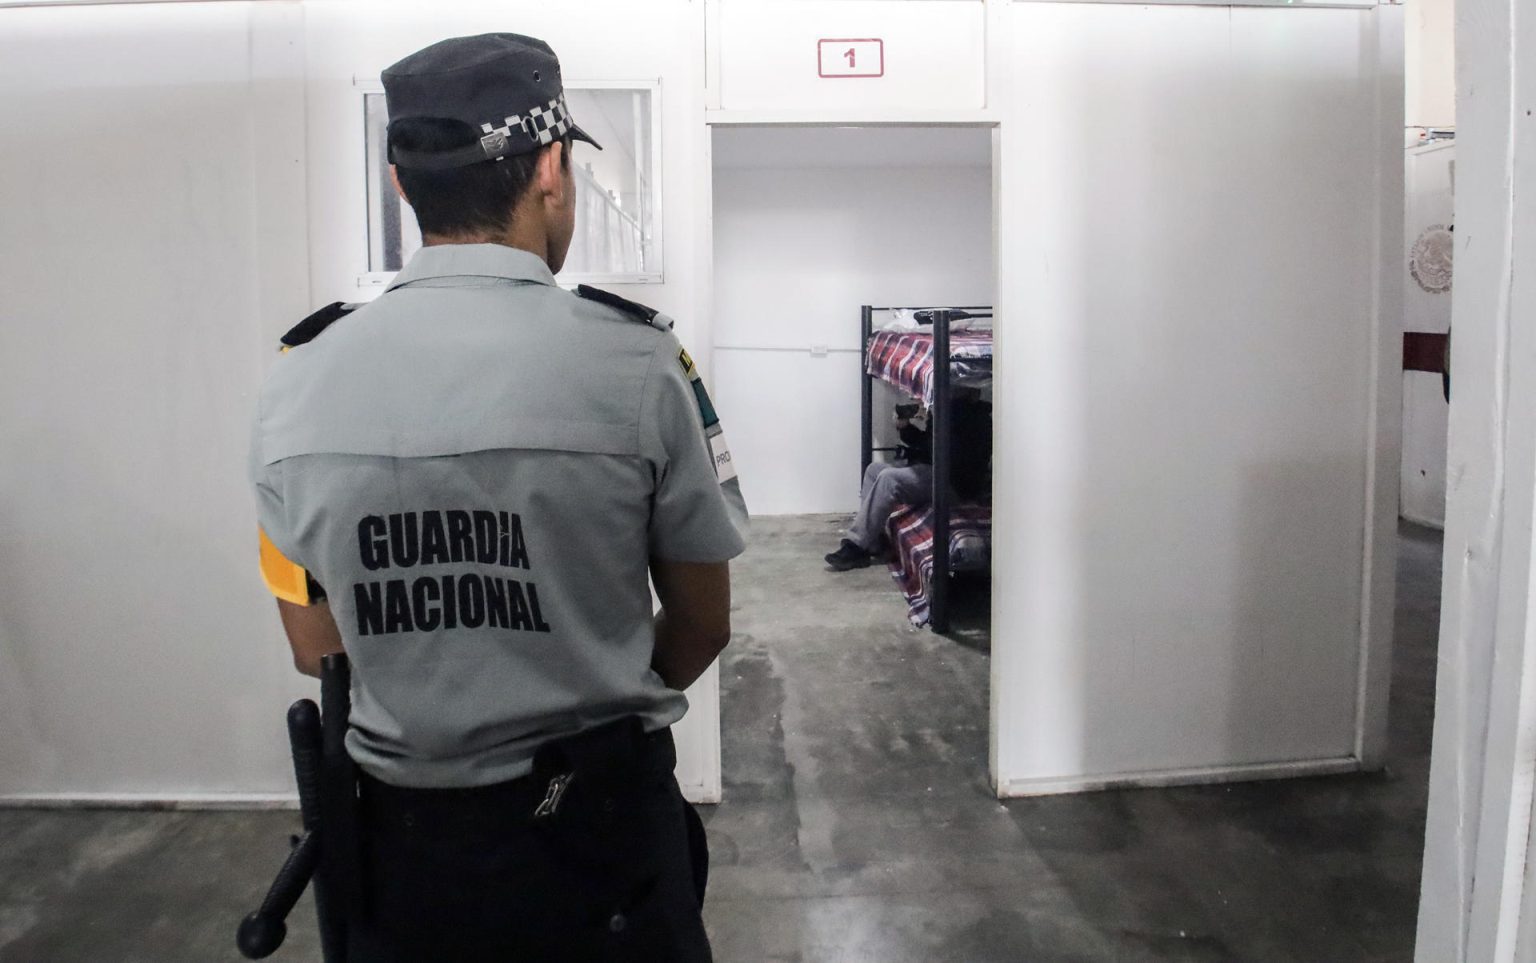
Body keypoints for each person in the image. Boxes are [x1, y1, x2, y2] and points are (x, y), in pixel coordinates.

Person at [248, 33, 747, 961]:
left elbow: (315, 646)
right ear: (552, 168)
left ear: (403, 183)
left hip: (402, 861)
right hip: (603, 850)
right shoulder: (640, 365)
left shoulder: (294, 380)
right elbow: (703, 622)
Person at [825, 395, 990, 571]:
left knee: (889, 479)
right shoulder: (949, 408)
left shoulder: (972, 418)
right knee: (874, 470)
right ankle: (872, 542)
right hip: (938, 471)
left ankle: (856, 546)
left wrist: (912, 443)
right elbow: (932, 447)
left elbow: (946, 455)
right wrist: (906, 429)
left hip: (954, 483)